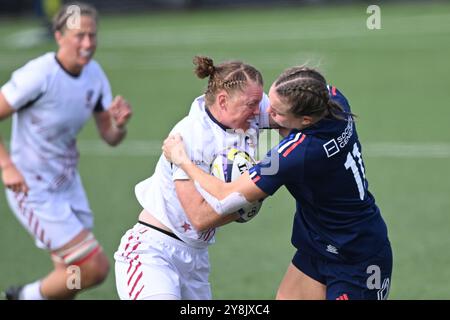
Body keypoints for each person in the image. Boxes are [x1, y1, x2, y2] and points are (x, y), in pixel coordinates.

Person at [163, 66, 393, 300]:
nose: (266, 113)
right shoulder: (331, 99)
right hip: (317, 247)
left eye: (277, 111)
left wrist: (183, 160)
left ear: (304, 119)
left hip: (357, 256)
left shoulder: (295, 155)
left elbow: (224, 194)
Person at [0, 2, 132, 300]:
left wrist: (120, 124)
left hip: (68, 185)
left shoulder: (94, 74)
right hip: (33, 188)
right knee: (93, 267)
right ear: (59, 36)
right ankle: (23, 296)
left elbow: (109, 137)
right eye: (79, 36)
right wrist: (7, 165)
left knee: (71, 275)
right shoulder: (39, 73)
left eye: (92, 36)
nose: (87, 44)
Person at [114, 55, 271, 300]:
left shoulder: (255, 107)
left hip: (196, 258)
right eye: (251, 104)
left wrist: (259, 185)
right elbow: (198, 218)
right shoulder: (191, 135)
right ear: (222, 101)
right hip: (154, 253)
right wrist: (250, 199)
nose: (258, 112)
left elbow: (285, 125)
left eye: (259, 103)